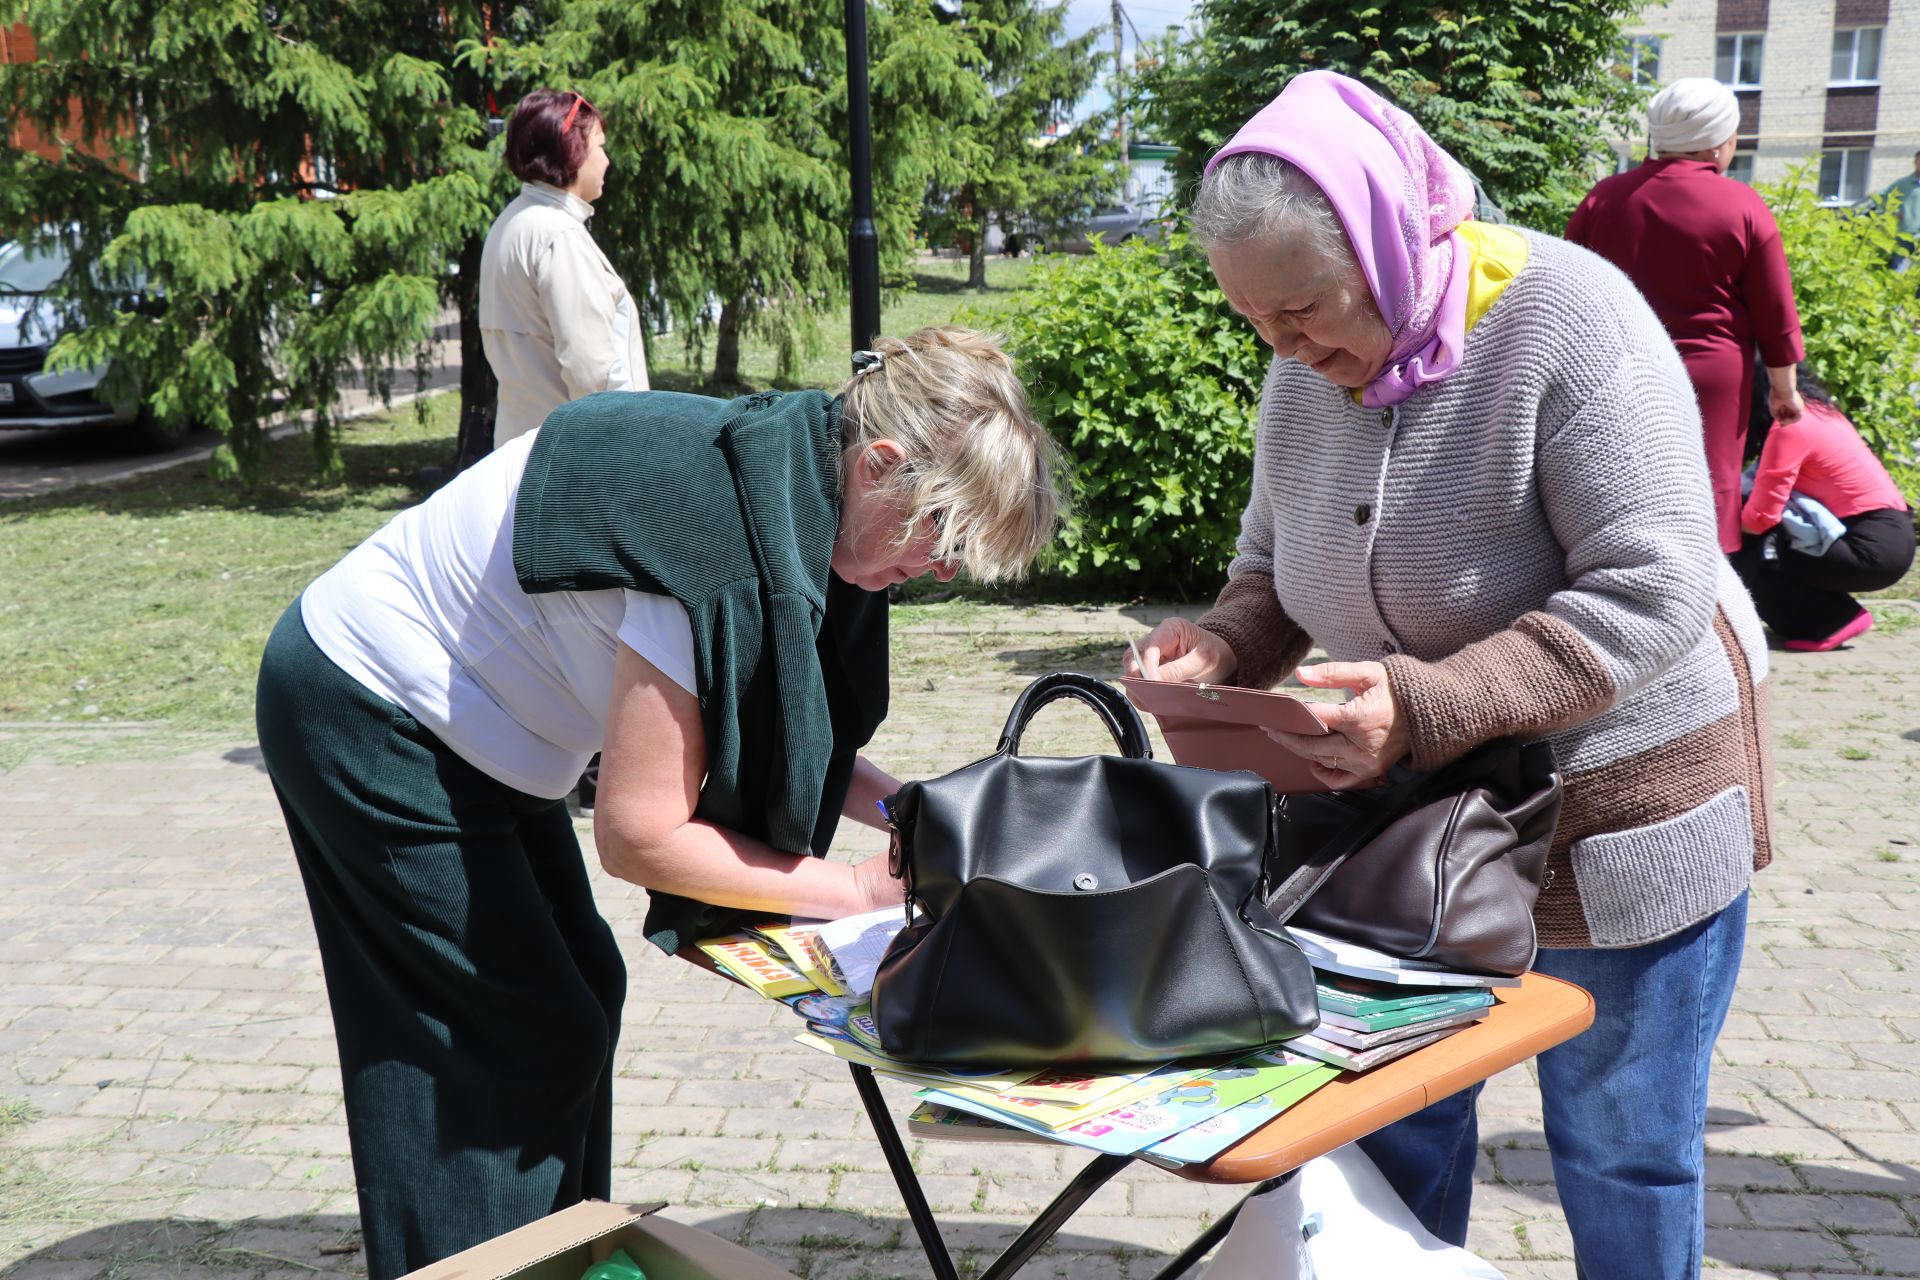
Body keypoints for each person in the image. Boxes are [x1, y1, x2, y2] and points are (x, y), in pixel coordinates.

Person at [1125, 71, 1771, 1280]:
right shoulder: (1302, 365)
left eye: (1309, 309)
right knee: (1395, 1119)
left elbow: (1651, 587)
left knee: (1622, 1142)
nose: (1292, 346)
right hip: (1422, 822)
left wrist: (1421, 706)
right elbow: (1273, 563)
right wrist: (1224, 645)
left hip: (1621, 813)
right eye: (1260, 323)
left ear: (1387, 234)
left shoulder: (1569, 317)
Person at [254, 326, 1062, 1280]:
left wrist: (911, 813)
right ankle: (480, 1262)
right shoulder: (712, 550)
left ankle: (542, 1256)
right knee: (510, 1034)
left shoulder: (796, 479)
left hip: (473, 726)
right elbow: (640, 836)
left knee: (578, 993)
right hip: (370, 703)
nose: (944, 571)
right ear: (880, 466)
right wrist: (852, 891)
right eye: (944, 534)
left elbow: (779, 719)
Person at [1565, 77, 1805, 556]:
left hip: (1621, 368)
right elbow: (1774, 314)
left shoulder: (1605, 198)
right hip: (1712, 380)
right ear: (1719, 142)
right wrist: (1784, 391)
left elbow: (1570, 287)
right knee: (1705, 496)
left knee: (1621, 486)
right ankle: (1705, 615)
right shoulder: (1743, 205)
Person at [480, 89, 648, 449]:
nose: (606, 161)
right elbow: (593, 375)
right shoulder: (559, 235)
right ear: (573, 149)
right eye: (599, 146)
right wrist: (634, 456)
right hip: (575, 466)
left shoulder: (512, 222)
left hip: (520, 452)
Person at [1733, 368, 1914, 650]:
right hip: (1890, 537)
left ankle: (1832, 620)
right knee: (1757, 540)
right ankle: (1833, 616)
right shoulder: (1820, 412)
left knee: (1751, 553)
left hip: (1871, 546)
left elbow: (1759, 518)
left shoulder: (1789, 425)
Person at [1868, 148, 1920, 273]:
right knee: (1898, 270)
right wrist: (1890, 213)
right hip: (1905, 234)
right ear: (1915, 162)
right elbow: (1881, 196)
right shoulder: (1904, 183)